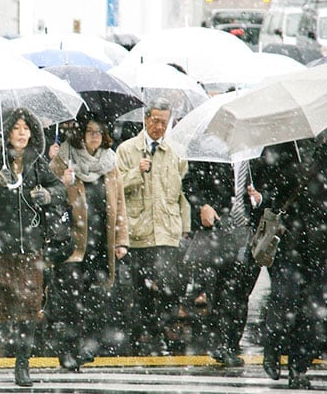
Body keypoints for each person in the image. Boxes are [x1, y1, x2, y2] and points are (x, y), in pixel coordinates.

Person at [0, 107, 67, 387]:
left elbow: (60, 190)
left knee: (29, 310)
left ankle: (22, 366)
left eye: (26, 128)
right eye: (16, 128)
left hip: (30, 248)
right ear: (6, 132)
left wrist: (47, 195)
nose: (22, 134)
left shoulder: (37, 163)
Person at [256, 132, 327, 389]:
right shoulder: (279, 145)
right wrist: (285, 183)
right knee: (283, 299)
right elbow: (264, 187)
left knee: (314, 309)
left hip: (323, 245)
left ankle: (299, 367)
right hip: (288, 242)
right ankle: (273, 349)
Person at [48, 115, 129, 370]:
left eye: (99, 132)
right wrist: (64, 182)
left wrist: (121, 240)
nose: (94, 136)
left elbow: (119, 203)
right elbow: (48, 192)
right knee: (70, 300)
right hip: (72, 243)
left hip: (99, 243)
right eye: (90, 131)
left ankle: (82, 346)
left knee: (92, 299)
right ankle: (66, 350)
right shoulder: (64, 157)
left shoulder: (109, 161)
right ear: (81, 134)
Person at [115, 97, 191, 355]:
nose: (159, 127)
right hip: (139, 231)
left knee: (169, 284)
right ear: (145, 119)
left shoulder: (176, 152)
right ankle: (143, 333)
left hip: (168, 231)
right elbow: (116, 188)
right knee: (141, 288)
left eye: (164, 122)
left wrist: (185, 228)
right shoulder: (127, 150)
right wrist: (137, 172)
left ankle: (166, 330)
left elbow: (183, 194)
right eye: (155, 121)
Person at [183, 160, 262, 366]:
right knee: (221, 290)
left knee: (242, 292)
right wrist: (203, 205)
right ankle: (223, 344)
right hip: (221, 229)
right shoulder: (214, 151)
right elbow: (189, 182)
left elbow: (277, 185)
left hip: (251, 231)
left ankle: (230, 342)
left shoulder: (258, 154)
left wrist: (261, 197)